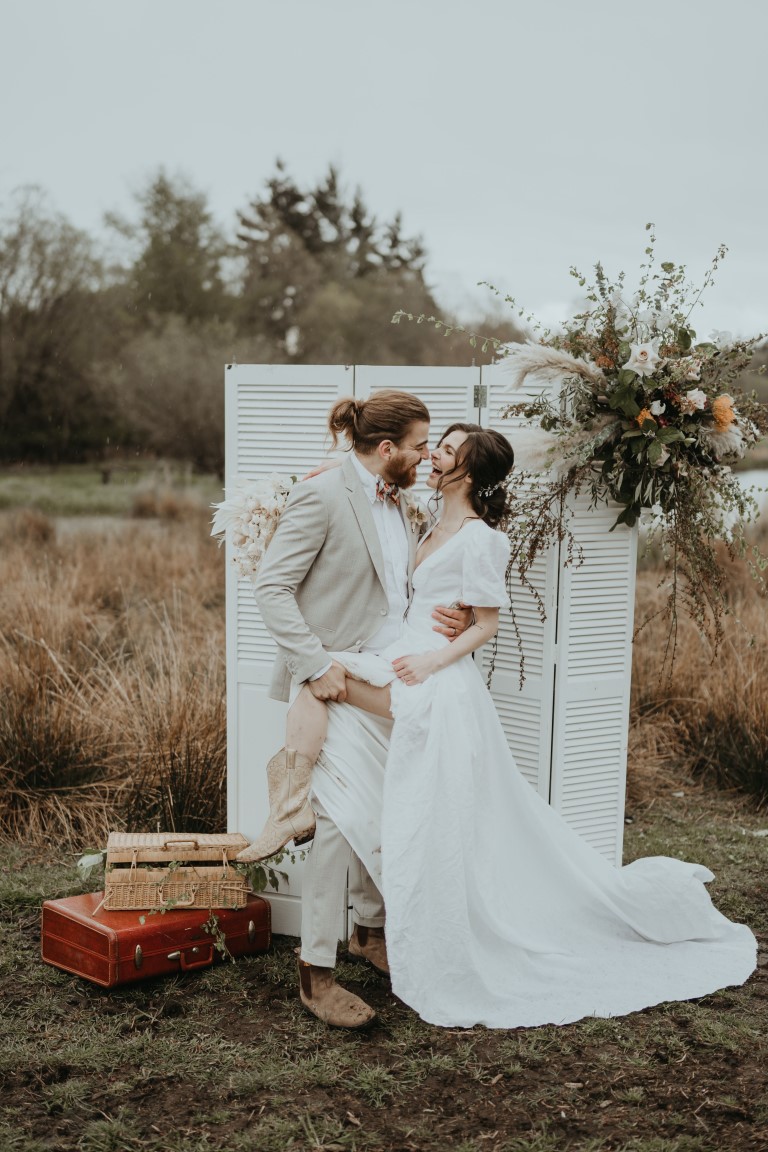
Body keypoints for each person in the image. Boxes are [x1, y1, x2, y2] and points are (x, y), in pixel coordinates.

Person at [258, 421, 757, 1029]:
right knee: (342, 736)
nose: (432, 456)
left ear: (467, 470)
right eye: (431, 445)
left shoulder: (482, 539)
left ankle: (296, 817)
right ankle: (311, 840)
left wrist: (433, 658)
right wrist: (320, 477)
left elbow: (486, 625)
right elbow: (360, 489)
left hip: (432, 683)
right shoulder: (421, 515)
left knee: (333, 696)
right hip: (400, 661)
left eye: (444, 450)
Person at [241, 391, 471, 1028]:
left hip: (388, 684)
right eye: (422, 445)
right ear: (388, 448)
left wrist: (449, 616)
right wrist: (316, 667)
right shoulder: (322, 495)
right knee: (340, 825)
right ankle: (315, 974)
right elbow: (272, 587)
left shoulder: (406, 502)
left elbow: (406, 585)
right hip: (333, 682)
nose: (428, 457)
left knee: (390, 810)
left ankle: (370, 936)